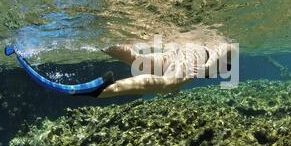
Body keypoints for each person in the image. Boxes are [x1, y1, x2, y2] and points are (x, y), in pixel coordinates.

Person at [91, 41, 238, 98]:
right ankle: (106, 89)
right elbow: (226, 47)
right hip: (196, 54)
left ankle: (104, 44)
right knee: (168, 83)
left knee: (139, 63)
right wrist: (207, 68)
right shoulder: (227, 55)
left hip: (181, 52)